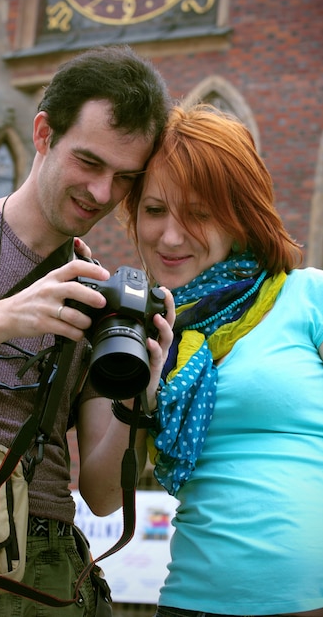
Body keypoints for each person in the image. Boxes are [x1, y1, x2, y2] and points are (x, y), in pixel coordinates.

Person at [0, 45, 174, 616]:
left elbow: (102, 495)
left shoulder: (104, 302)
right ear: (44, 133)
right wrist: (14, 314)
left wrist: (139, 385)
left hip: (48, 571)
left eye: (124, 178)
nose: (102, 194)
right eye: (90, 163)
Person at [122, 103, 323, 616]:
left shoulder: (307, 296)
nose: (170, 236)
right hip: (192, 603)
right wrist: (139, 402)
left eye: (199, 213)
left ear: (242, 215)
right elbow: (105, 494)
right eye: (154, 209)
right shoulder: (144, 333)